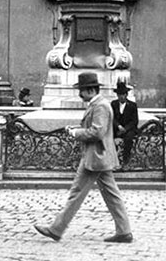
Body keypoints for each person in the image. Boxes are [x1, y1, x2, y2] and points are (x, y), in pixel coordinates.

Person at [34, 72, 132, 243]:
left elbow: (97, 132)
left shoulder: (100, 106)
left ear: (91, 90)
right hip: (99, 156)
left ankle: (56, 229)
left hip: (95, 157)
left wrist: (76, 133)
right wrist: (76, 128)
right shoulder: (98, 104)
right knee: (111, 195)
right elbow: (95, 128)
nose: (80, 94)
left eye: (81, 90)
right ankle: (124, 231)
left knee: (77, 193)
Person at [111, 80, 138, 167]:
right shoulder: (113, 104)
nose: (121, 97)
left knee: (129, 139)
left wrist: (125, 129)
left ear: (126, 95)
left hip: (128, 129)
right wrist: (118, 126)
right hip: (117, 128)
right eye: (119, 95)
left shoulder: (132, 105)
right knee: (108, 137)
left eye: (123, 94)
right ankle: (113, 159)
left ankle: (126, 160)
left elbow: (134, 121)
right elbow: (112, 118)